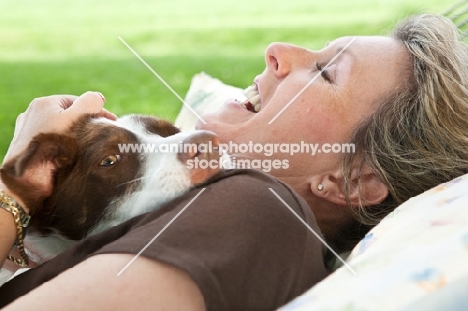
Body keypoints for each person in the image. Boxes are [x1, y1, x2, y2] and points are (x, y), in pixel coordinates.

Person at [0, 13, 467, 310]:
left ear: (352, 180)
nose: (278, 51)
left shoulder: (258, 208)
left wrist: (15, 187)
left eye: (325, 73)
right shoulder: (207, 213)